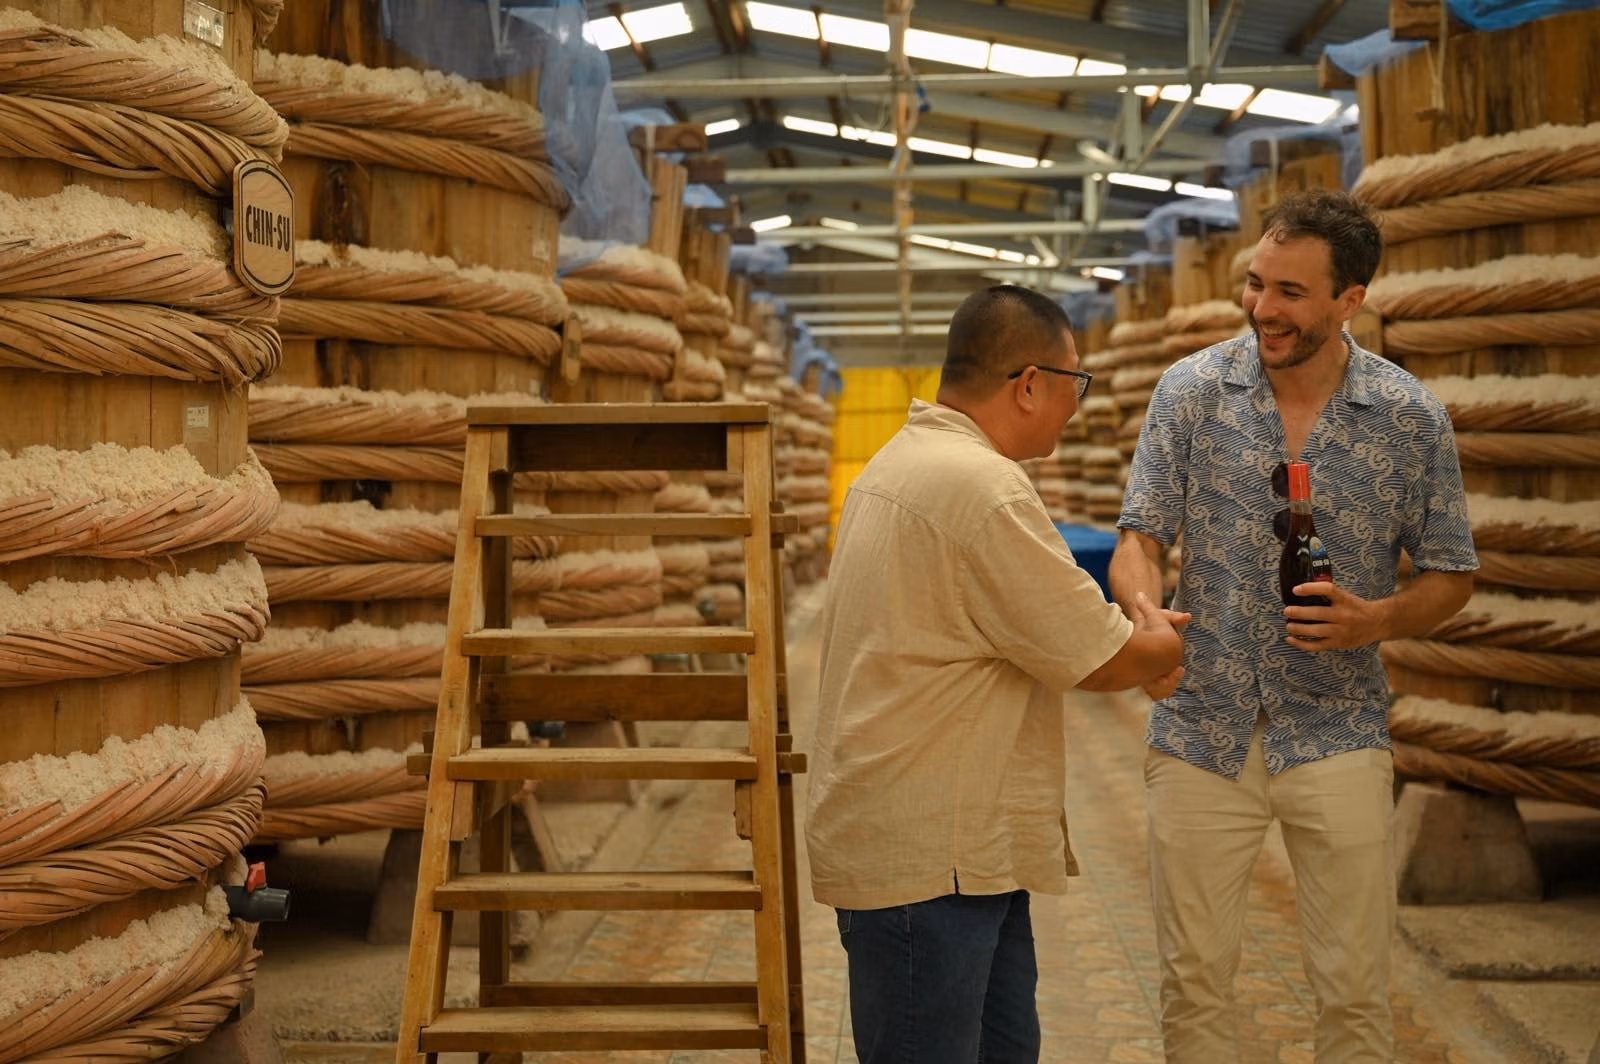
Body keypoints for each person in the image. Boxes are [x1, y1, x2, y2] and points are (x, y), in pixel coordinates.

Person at [1110, 188, 1478, 1063]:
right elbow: (1140, 537)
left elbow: (1451, 575)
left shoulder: (1408, 416)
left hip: (1337, 726)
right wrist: (1145, 615)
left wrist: (1375, 619)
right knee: (1194, 984)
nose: (1263, 308)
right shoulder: (1192, 391)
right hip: (1201, 726)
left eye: (1290, 292)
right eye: (1256, 283)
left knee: (1354, 991)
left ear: (1350, 300)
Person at [806, 283, 1189, 1064]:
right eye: (1076, 382)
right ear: (1029, 384)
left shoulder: (905, 459)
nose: (1076, 405)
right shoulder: (980, 486)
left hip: (955, 849)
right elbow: (1099, 656)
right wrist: (1160, 640)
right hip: (929, 865)